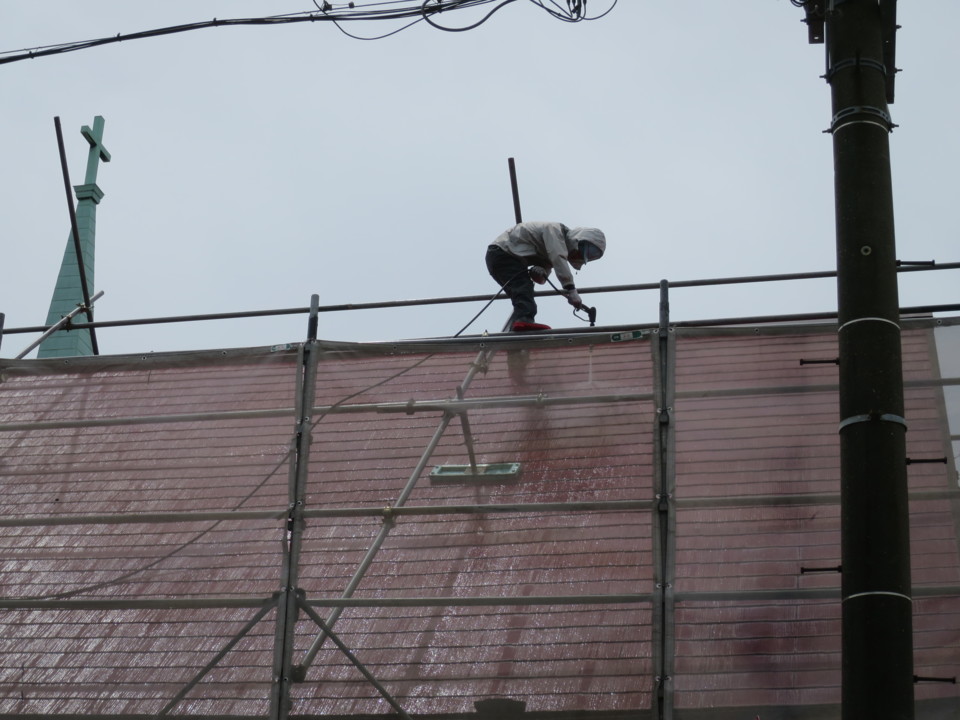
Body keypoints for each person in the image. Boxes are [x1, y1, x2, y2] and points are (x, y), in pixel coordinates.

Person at [485, 221, 606, 331]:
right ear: (578, 239)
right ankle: (523, 321)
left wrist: (538, 273)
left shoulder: (552, 249)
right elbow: (558, 257)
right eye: (585, 250)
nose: (580, 255)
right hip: (502, 253)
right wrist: (571, 289)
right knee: (522, 288)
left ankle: (519, 325)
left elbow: (542, 278)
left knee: (522, 290)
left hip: (507, 257)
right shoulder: (554, 231)